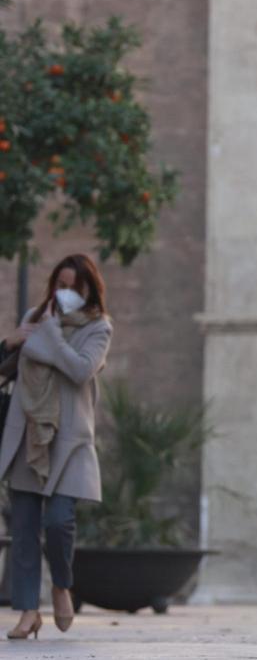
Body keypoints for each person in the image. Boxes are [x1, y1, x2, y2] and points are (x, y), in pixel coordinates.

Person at [0, 254, 113, 640]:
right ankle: (29, 611)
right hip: (28, 435)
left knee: (59, 522)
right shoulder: (36, 316)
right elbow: (8, 366)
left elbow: (81, 370)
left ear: (88, 290)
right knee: (26, 528)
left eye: (73, 287)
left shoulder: (99, 328)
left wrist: (47, 337)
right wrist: (10, 341)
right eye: (59, 286)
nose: (64, 294)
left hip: (69, 441)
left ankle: (61, 585)